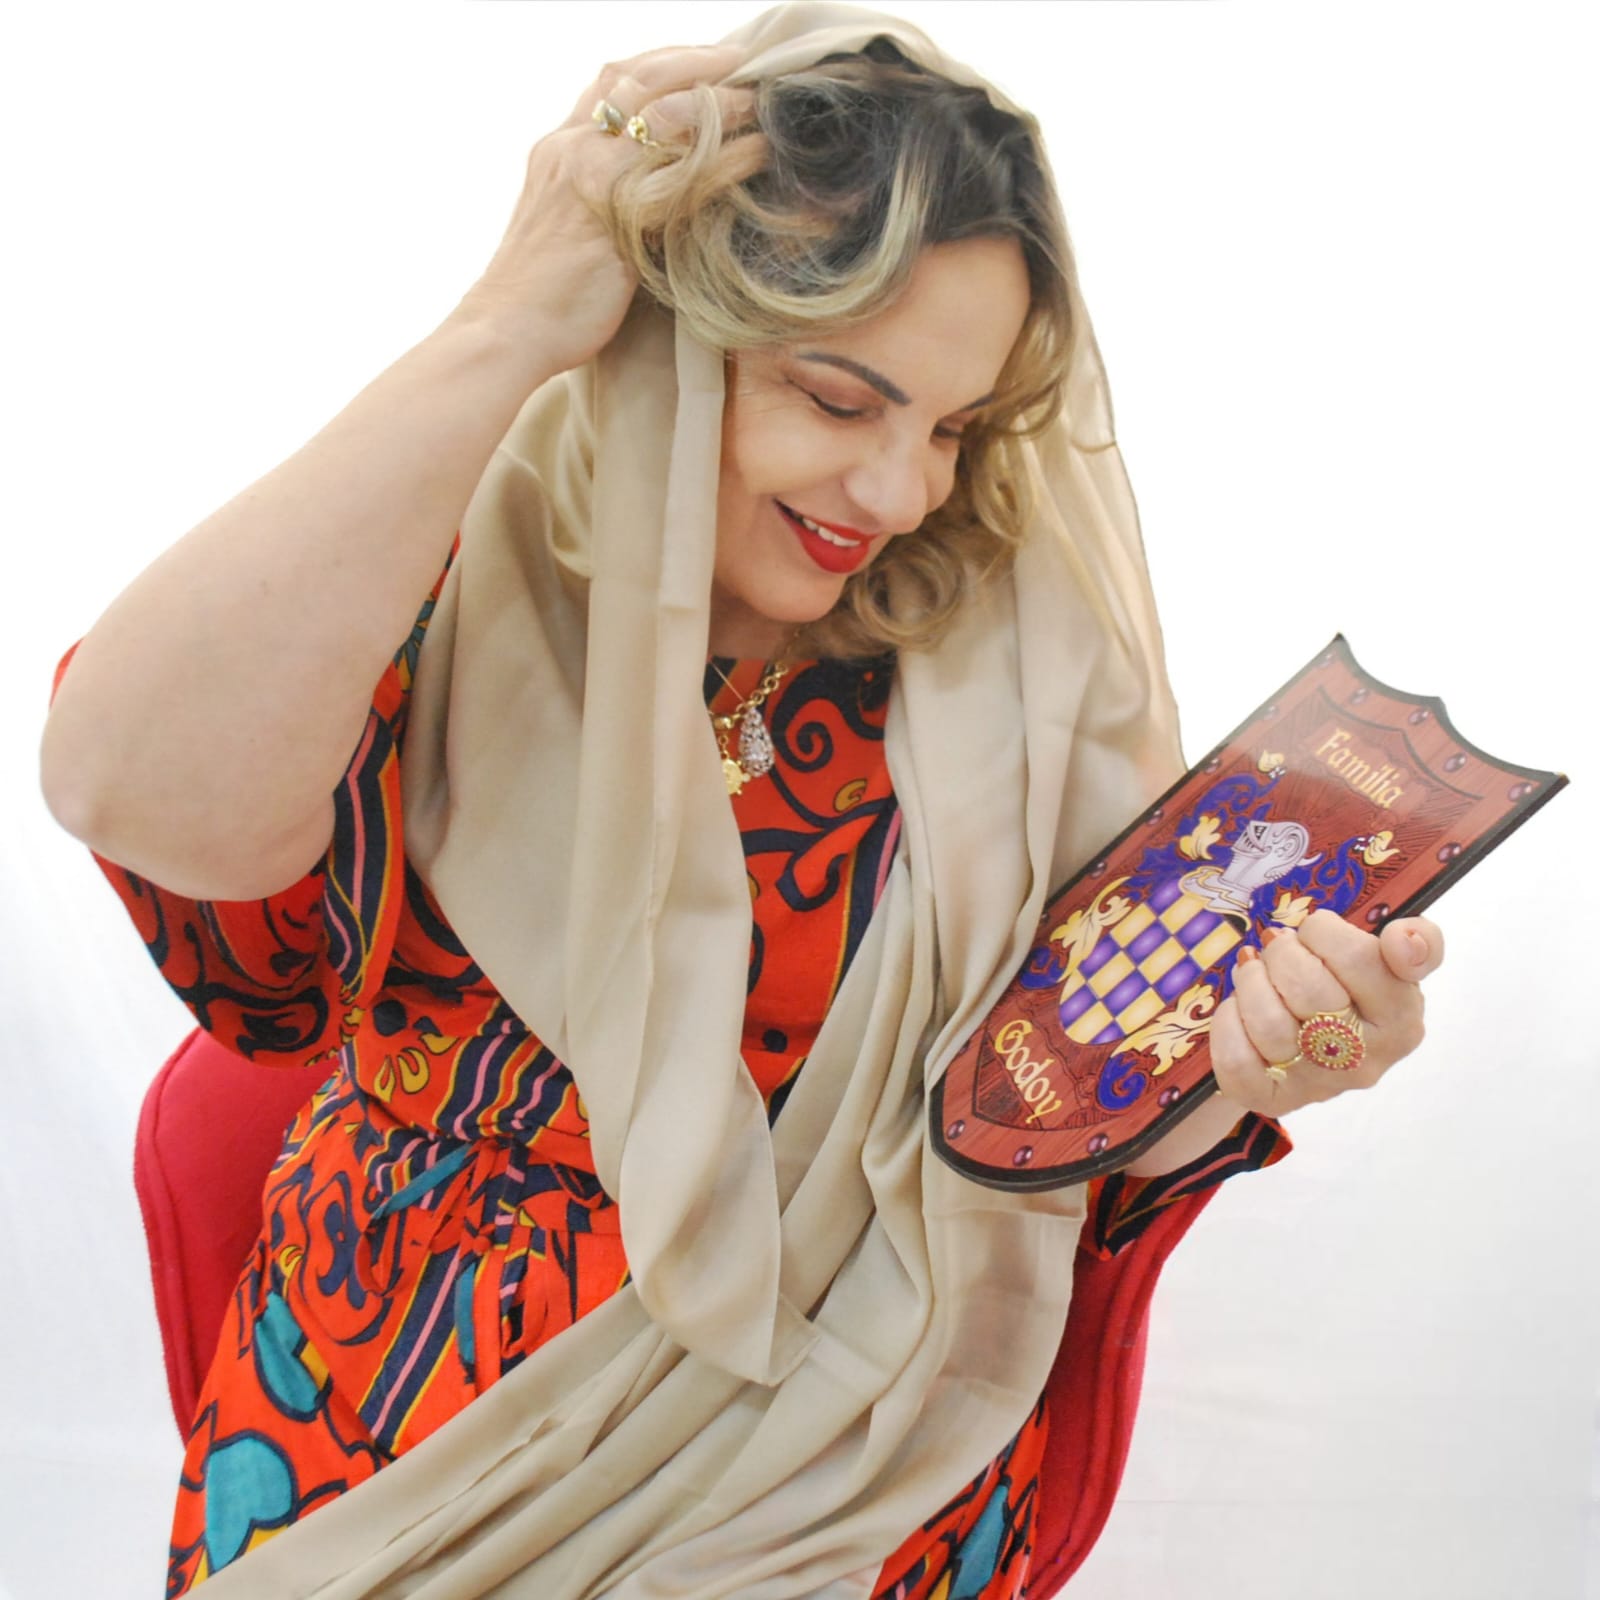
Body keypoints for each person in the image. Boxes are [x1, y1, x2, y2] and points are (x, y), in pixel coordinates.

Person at [39, 5, 1442, 1596]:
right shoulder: (433, 586)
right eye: (840, 401)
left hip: (852, 1463)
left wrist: (1262, 1060)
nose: (903, 490)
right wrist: (510, 318)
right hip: (414, 1431)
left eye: (953, 427)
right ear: (667, 335)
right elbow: (140, 805)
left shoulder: (1005, 667)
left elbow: (1057, 1107)